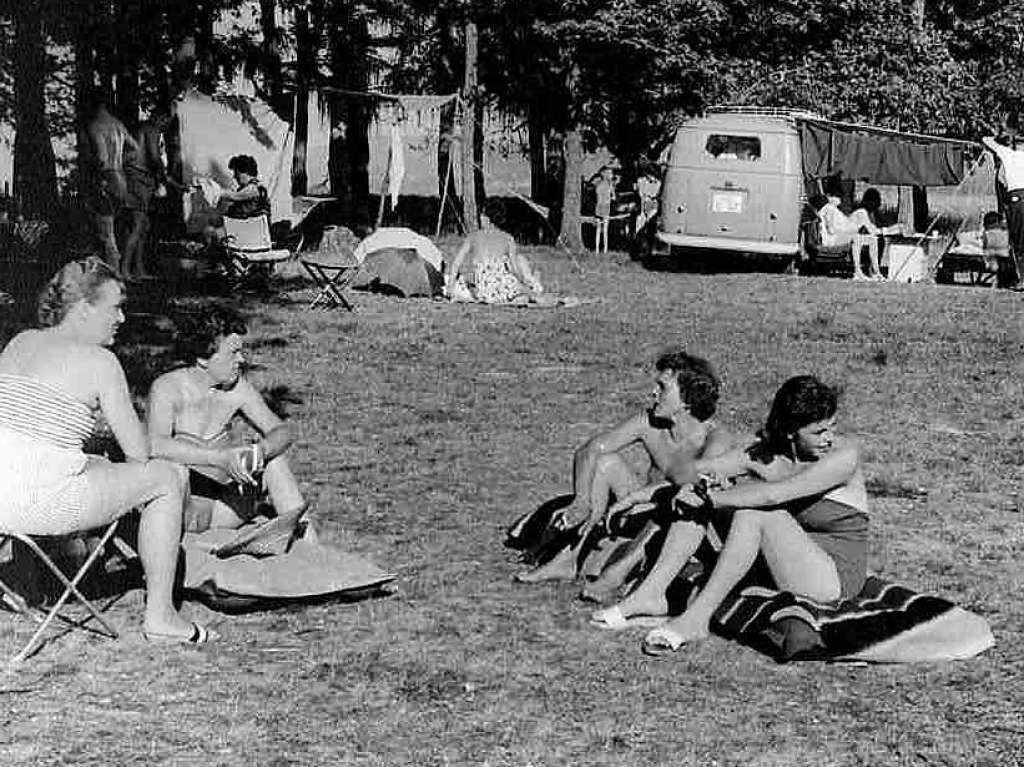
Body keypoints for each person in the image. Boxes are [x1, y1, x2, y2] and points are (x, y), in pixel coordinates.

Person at [0, 257, 210, 644]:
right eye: (114, 307)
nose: (123, 319)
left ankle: (26, 583)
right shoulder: (100, 362)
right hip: (41, 507)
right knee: (166, 477)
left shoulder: (20, 342)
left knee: (44, 462)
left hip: (2, 504)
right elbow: (139, 454)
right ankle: (161, 616)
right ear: (83, 310)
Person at [592, 375, 868, 655]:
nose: (828, 438)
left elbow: (774, 495)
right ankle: (652, 593)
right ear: (789, 431)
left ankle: (697, 619)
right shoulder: (765, 453)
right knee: (695, 497)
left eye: (831, 428)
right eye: (818, 432)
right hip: (781, 560)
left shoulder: (844, 456)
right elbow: (688, 470)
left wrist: (709, 497)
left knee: (751, 513)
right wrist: (648, 493)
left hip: (833, 575)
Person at [515, 349, 731, 586]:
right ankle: (568, 559)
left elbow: (697, 485)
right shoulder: (649, 423)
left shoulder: (714, 438)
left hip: (673, 517)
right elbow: (590, 449)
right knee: (606, 463)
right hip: (639, 508)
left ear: (687, 400)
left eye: (663, 387)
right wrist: (582, 500)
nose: (654, 392)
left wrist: (640, 498)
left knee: (679, 495)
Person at [147, 303, 308, 549]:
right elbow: (155, 445)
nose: (241, 360)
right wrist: (219, 458)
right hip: (186, 510)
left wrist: (260, 452)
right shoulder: (168, 388)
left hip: (225, 508)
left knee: (275, 461)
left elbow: (284, 431)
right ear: (203, 358)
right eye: (233, 353)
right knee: (173, 464)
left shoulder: (236, 388)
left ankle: (312, 550)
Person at [82, 100, 138, 272]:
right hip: (121, 179)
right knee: (112, 229)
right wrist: (121, 162)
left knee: (105, 232)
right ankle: (109, 273)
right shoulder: (117, 124)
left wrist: (93, 170)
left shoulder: (96, 126)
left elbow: (102, 158)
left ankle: (112, 277)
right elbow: (135, 149)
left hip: (106, 178)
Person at [444, 213, 545, 305]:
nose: (480, 218)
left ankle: (524, 292)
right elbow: (515, 269)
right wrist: (523, 282)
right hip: (503, 284)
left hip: (483, 288)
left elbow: (456, 263)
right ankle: (529, 290)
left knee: (465, 284)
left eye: (482, 215)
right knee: (523, 288)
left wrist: (450, 286)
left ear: (487, 219)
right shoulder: (507, 238)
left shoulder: (473, 236)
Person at [122, 113, 172, 281]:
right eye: (166, 121)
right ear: (161, 118)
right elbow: (154, 157)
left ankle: (138, 269)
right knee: (137, 226)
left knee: (143, 226)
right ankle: (125, 270)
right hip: (138, 179)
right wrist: (165, 178)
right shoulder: (151, 130)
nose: (166, 125)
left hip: (140, 179)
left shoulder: (142, 128)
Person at [981, 134, 1024, 287]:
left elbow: (985, 140)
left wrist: (998, 136)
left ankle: (1022, 279)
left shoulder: (1008, 154)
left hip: (1017, 199)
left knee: (1018, 242)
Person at [811, 193, 881, 281]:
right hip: (834, 238)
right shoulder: (828, 209)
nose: (836, 198)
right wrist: (849, 230)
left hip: (842, 233)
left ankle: (877, 272)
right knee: (857, 236)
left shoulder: (832, 209)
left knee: (873, 239)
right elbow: (832, 230)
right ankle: (858, 272)